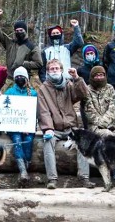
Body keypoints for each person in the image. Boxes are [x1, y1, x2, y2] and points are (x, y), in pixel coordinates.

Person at [37, 59, 94, 189]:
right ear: (48, 72)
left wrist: (77, 78)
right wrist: (48, 129)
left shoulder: (68, 84)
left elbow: (83, 94)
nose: (54, 71)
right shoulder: (43, 89)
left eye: (57, 68)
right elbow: (43, 111)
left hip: (70, 127)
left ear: (61, 70)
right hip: (54, 128)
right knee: (47, 144)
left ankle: (84, 177)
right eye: (52, 69)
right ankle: (52, 179)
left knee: (83, 142)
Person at [83, 66, 115, 181]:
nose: (99, 77)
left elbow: (114, 107)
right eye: (97, 75)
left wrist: (106, 124)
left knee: (114, 137)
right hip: (95, 127)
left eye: (102, 75)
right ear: (92, 77)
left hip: (111, 125)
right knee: (110, 137)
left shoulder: (110, 88)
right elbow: (89, 111)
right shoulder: (86, 90)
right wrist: (102, 125)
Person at [4, 67, 37, 185]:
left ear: (27, 78)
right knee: (17, 142)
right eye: (17, 76)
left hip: (28, 128)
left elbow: (35, 112)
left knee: (28, 142)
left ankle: (26, 167)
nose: (19, 78)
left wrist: (28, 126)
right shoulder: (9, 92)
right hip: (14, 127)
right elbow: (4, 110)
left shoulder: (32, 93)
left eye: (22, 76)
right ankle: (23, 171)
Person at [0, 8, 43, 82]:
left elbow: (39, 63)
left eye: (21, 30)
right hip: (9, 79)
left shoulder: (32, 47)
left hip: (25, 80)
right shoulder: (10, 43)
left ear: (25, 31)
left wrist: (24, 63)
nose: (19, 32)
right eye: (17, 31)